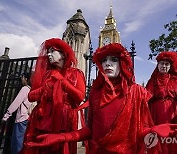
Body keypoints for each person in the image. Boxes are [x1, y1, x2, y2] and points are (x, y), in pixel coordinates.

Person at [26, 43, 177, 154]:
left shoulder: (137, 92)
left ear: (122, 64)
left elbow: (141, 130)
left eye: (113, 60)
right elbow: (90, 130)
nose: (108, 64)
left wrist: (154, 130)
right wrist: (63, 137)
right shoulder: (95, 93)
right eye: (104, 61)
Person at [20, 38, 86, 154]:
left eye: (53, 51)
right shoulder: (46, 74)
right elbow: (31, 96)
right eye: (48, 51)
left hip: (63, 118)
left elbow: (80, 97)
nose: (49, 54)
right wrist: (45, 88)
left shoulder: (76, 73)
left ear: (63, 54)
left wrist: (62, 82)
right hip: (42, 118)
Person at [146, 51, 177, 153]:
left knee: (171, 139)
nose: (164, 66)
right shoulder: (152, 81)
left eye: (166, 64)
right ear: (158, 65)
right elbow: (146, 99)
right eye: (162, 64)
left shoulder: (175, 80)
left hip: (172, 114)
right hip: (156, 114)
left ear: (170, 66)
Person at [2, 73, 31, 154]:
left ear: (25, 78)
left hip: (21, 118)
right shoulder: (31, 90)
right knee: (23, 142)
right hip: (28, 118)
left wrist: (6, 116)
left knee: (17, 143)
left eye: (22, 78)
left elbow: (16, 103)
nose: (21, 80)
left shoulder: (25, 89)